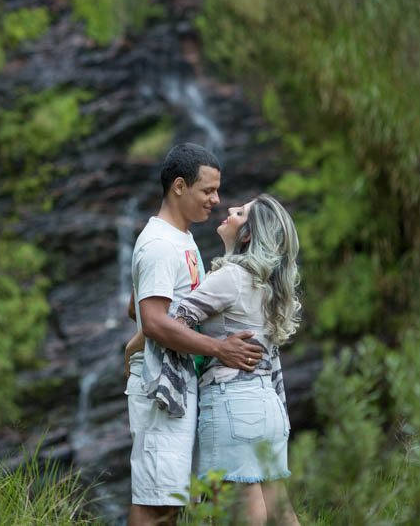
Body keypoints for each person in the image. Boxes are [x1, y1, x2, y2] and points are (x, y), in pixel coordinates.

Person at [125, 143, 263, 526]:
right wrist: (219, 349)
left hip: (179, 384)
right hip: (160, 388)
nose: (216, 200)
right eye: (208, 190)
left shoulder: (181, 238)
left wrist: (135, 342)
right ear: (179, 186)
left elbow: (137, 307)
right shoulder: (159, 244)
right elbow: (153, 320)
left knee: (171, 502)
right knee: (156, 503)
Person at [171, 194, 302, 525]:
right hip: (269, 407)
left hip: (233, 405)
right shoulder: (269, 286)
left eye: (240, 212)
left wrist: (217, 348)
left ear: (248, 235)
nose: (229, 210)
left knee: (240, 512)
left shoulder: (231, 276)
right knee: (281, 513)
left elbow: (172, 325)